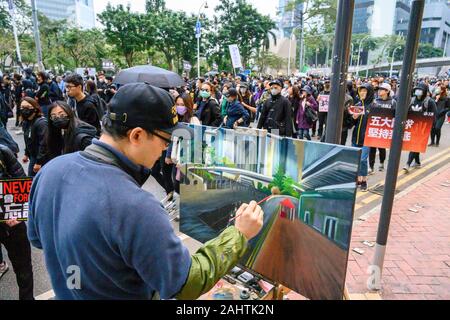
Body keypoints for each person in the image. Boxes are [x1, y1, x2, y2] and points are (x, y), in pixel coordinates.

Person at [27, 83, 263, 300]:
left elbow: (38, 239)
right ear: (137, 135)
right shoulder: (136, 206)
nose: (165, 149)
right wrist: (238, 234)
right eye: (165, 140)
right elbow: (184, 282)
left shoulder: (50, 171)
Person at [0, 144, 34, 300]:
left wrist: (15, 211)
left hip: (12, 223)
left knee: (23, 268)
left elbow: (21, 183)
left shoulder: (3, 152)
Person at [404, 82, 437, 172]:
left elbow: (434, 115)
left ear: (425, 91)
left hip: (423, 127)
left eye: (420, 90)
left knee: (414, 145)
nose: (418, 91)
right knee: (416, 145)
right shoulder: (412, 100)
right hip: (412, 126)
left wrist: (431, 126)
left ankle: (408, 163)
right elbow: (407, 111)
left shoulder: (430, 101)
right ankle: (417, 162)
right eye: (417, 89)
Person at [351, 84, 376, 192]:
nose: (362, 93)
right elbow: (352, 122)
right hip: (356, 136)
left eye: (365, 91)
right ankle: (358, 179)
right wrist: (354, 117)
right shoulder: (357, 104)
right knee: (356, 159)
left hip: (367, 137)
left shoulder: (374, 106)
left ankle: (364, 180)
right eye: (361, 91)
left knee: (363, 159)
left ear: (369, 92)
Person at [368, 83, 397, 174]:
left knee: (381, 148)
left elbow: (396, 115)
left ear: (387, 91)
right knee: (372, 148)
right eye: (379, 89)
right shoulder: (375, 101)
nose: (379, 91)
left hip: (385, 129)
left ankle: (381, 162)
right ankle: (371, 166)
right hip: (374, 128)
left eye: (382, 89)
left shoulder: (393, 102)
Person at [21, 97, 48, 177]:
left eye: (27, 107)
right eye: (22, 107)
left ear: (35, 109)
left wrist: (39, 162)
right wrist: (26, 153)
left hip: (43, 158)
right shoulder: (26, 122)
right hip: (33, 156)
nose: (24, 110)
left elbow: (44, 143)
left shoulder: (41, 123)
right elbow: (28, 140)